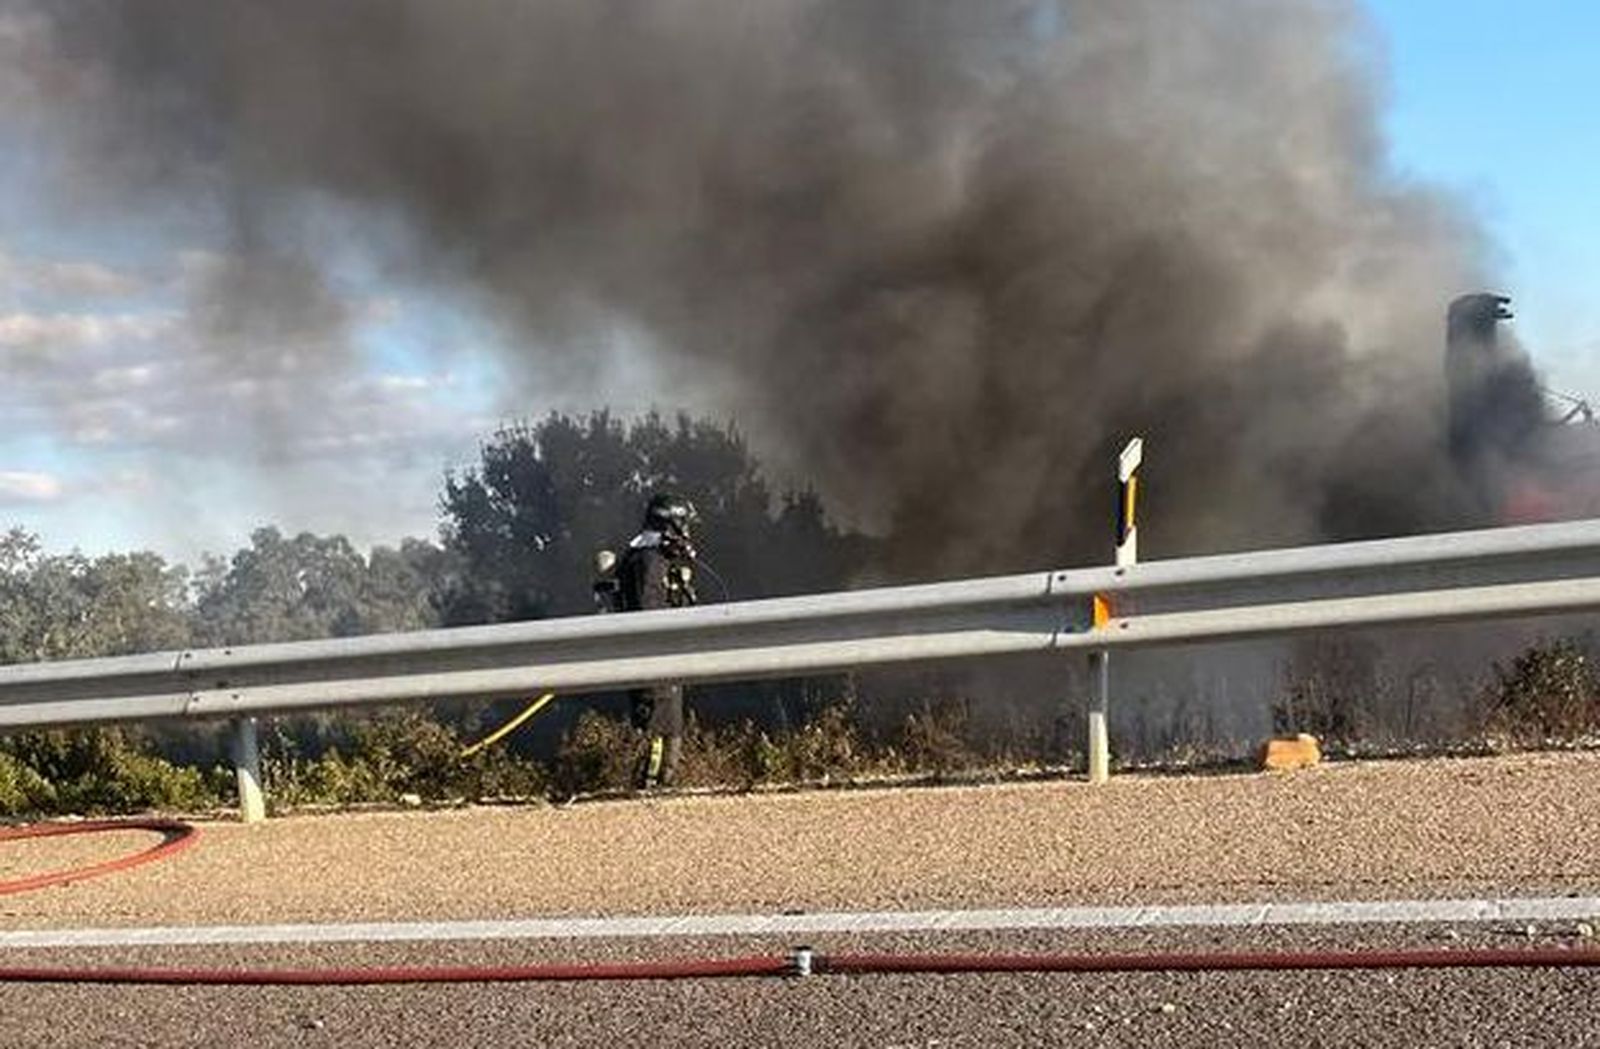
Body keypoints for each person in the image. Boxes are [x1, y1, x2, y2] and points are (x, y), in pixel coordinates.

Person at [615, 492, 699, 789]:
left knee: (670, 735)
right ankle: (648, 796)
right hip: (653, 665)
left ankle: (659, 792)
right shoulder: (648, 562)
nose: (686, 533)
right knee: (658, 737)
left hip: (664, 662)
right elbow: (649, 615)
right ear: (669, 526)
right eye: (682, 525)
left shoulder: (654, 559)